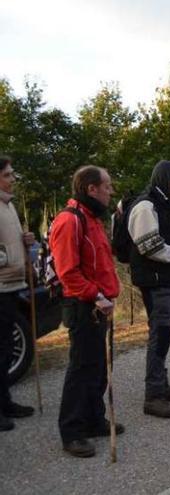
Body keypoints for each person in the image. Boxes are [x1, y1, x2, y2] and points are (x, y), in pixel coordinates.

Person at [49, 166, 122, 457]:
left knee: (99, 365)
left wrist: (108, 294)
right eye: (107, 186)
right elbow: (68, 272)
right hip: (83, 305)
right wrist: (96, 295)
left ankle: (93, 418)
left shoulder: (92, 219)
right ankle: (73, 431)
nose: (110, 191)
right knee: (82, 367)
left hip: (100, 303)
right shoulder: (70, 221)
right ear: (91, 189)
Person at [127, 160, 170, 418]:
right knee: (160, 334)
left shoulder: (168, 204)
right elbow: (149, 246)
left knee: (164, 333)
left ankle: (161, 385)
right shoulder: (146, 205)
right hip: (154, 280)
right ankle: (153, 395)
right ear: (166, 179)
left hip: (166, 278)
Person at [0, 156, 36, 432]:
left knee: (6, 348)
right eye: (8, 174)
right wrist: (5, 258)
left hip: (13, 284)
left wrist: (24, 243)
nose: (13, 179)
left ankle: (6, 401)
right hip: (0, 284)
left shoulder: (8, 206)